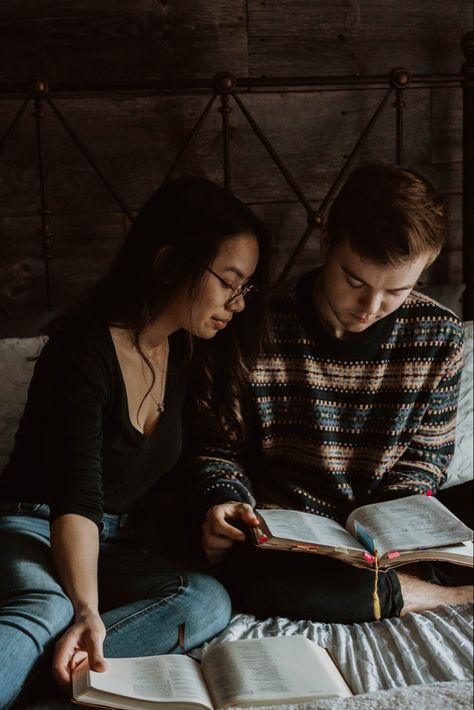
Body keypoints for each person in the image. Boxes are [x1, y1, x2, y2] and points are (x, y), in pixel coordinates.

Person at [0, 176, 271, 709]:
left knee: (204, 599)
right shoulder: (81, 351)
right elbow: (76, 496)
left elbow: (200, 455)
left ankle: (40, 679)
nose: (238, 304)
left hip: (111, 542)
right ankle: (58, 654)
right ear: (172, 261)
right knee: (50, 609)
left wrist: (220, 503)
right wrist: (84, 608)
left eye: (247, 288)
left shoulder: (188, 353)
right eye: (229, 282)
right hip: (33, 521)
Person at [188, 162, 472, 624]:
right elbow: (218, 445)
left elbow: (427, 456)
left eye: (396, 290)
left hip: (389, 526)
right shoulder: (255, 323)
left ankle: (391, 580)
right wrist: (225, 500)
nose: (370, 307)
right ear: (325, 244)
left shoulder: (439, 333)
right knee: (248, 572)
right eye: (355, 281)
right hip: (291, 537)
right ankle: (453, 595)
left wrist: (391, 530)